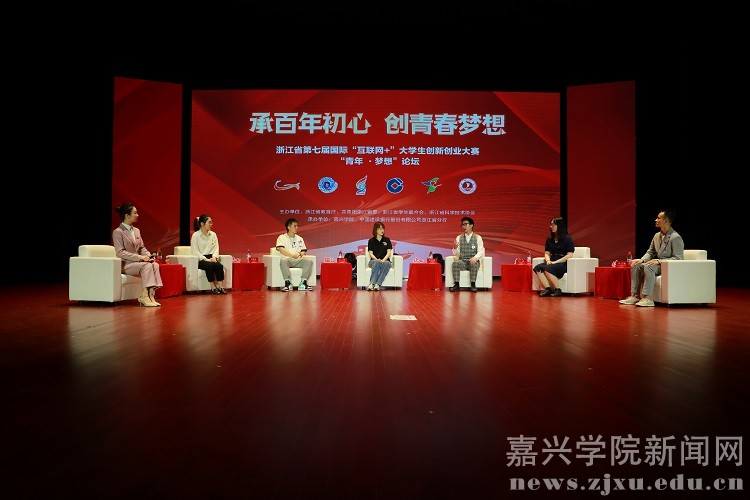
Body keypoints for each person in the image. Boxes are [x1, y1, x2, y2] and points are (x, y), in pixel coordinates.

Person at [619, 209, 684, 307]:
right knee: (636, 265)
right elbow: (650, 252)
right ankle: (634, 295)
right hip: (658, 265)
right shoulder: (656, 236)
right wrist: (641, 260)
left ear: (666, 221)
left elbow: (678, 258)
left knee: (649, 266)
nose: (655, 220)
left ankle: (647, 298)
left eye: (658, 218)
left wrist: (659, 261)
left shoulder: (675, 237)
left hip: (668, 266)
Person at [112, 203, 163, 307]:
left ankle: (151, 294)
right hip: (127, 264)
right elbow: (120, 252)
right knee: (147, 266)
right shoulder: (118, 232)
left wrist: (149, 256)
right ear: (127, 215)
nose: (137, 215)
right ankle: (144, 295)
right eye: (135, 213)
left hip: (138, 263)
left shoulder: (136, 230)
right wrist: (140, 257)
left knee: (155, 265)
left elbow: (141, 248)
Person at [533, 216, 575, 297]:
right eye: (551, 225)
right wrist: (548, 260)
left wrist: (556, 262)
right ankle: (548, 289)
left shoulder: (567, 239)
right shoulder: (550, 239)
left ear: (559, 226)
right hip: (552, 260)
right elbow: (547, 252)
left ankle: (558, 289)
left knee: (548, 268)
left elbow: (569, 255)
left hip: (562, 262)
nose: (551, 226)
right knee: (538, 267)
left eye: (553, 225)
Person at [191, 214, 227, 294]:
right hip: (201, 259)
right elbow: (195, 251)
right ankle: (213, 287)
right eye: (209, 222)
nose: (211, 224)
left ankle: (221, 287)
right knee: (209, 266)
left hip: (211, 257)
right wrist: (206, 259)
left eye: (211, 222)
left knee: (219, 265)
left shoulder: (213, 234)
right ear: (202, 224)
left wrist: (214, 257)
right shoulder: (195, 235)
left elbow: (216, 248)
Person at [275, 218, 314, 291]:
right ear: (288, 227)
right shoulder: (282, 237)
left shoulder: (300, 238)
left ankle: (303, 283)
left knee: (309, 261)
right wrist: (292, 256)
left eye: (297, 226)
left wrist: (299, 253)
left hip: (298, 260)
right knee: (283, 260)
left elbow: (303, 251)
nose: (297, 227)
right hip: (287, 259)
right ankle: (288, 283)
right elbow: (282, 250)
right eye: (295, 226)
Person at [450, 216, 485, 292]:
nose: (463, 226)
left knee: (473, 263)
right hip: (463, 261)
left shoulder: (478, 237)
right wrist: (455, 248)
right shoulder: (459, 237)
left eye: (466, 224)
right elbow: (456, 253)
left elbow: (481, 251)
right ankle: (457, 284)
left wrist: (475, 258)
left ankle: (473, 284)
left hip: (473, 261)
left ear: (471, 225)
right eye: (462, 225)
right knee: (455, 263)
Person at [366, 221, 393, 291]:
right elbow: (370, 253)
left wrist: (383, 260)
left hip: (385, 261)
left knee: (387, 263)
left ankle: (377, 284)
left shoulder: (387, 240)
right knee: (377, 262)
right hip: (374, 261)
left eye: (383, 228)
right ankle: (371, 284)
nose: (382, 230)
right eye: (380, 229)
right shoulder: (371, 241)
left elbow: (389, 252)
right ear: (375, 230)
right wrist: (377, 259)